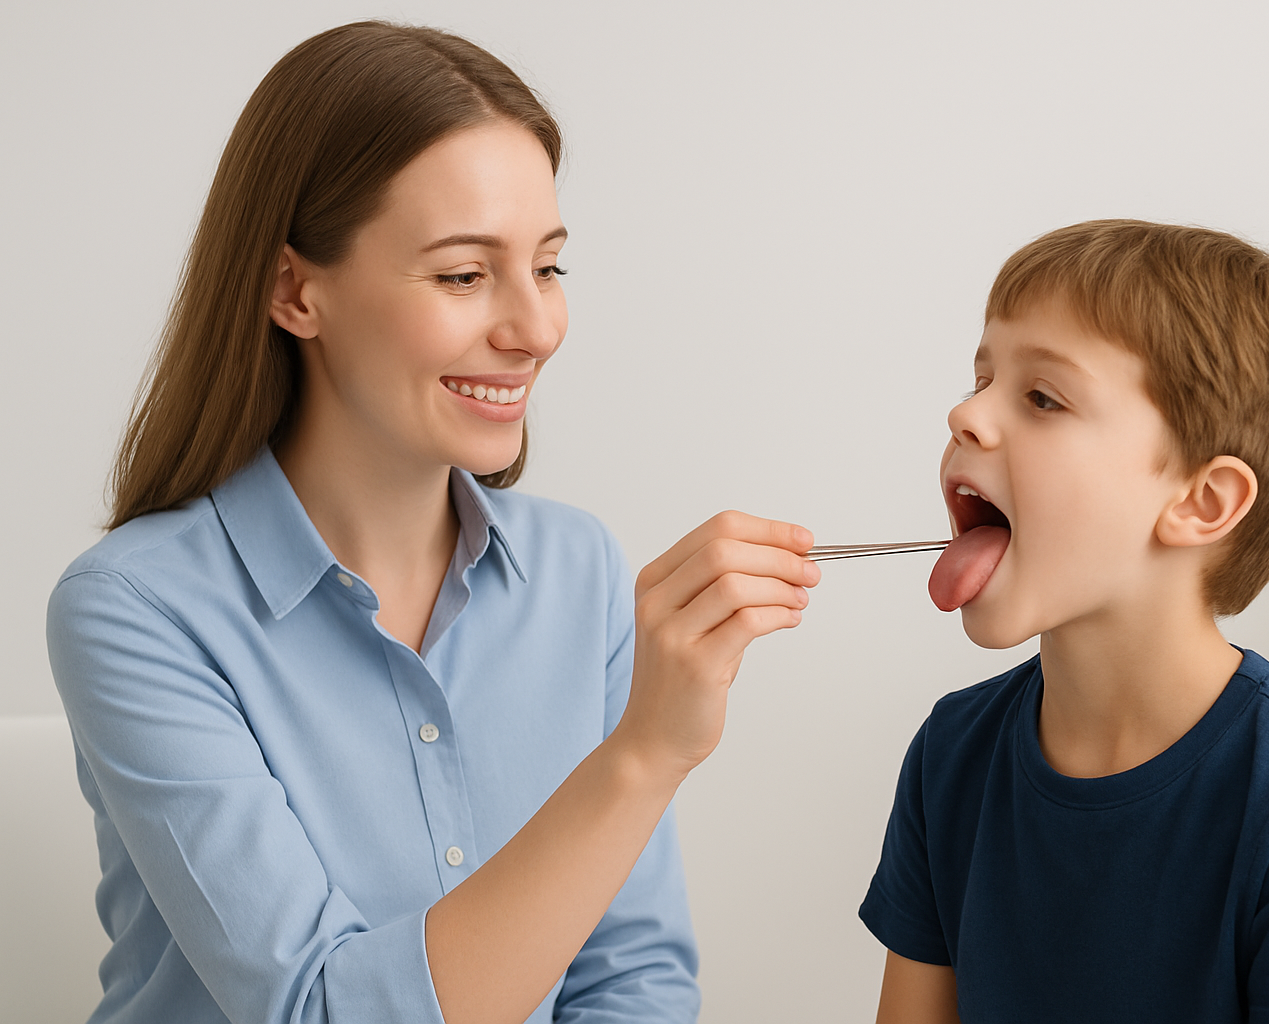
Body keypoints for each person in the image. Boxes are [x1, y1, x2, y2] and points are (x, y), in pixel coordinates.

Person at [45, 21, 819, 1024]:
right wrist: (644, 755)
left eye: (548, 266)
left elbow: (632, 980)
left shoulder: (579, 572)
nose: (535, 329)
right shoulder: (135, 610)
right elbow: (319, 1011)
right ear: (296, 290)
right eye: (464, 274)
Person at [861, 220, 1269, 1022]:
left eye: (1041, 397)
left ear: (1202, 502)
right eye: (980, 379)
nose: (967, 414)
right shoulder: (951, 760)